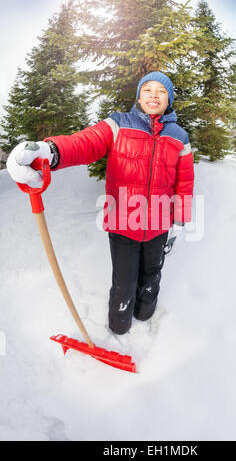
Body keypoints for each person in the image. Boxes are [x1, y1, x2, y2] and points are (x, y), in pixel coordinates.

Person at [6, 71, 195, 335]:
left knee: (152, 276)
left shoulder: (179, 136)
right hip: (123, 223)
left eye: (161, 91)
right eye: (148, 90)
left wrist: (179, 221)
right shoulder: (119, 124)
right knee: (124, 283)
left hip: (160, 224)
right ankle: (119, 330)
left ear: (169, 99)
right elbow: (85, 142)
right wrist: (50, 151)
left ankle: (145, 316)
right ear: (139, 96)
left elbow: (184, 182)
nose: (154, 95)